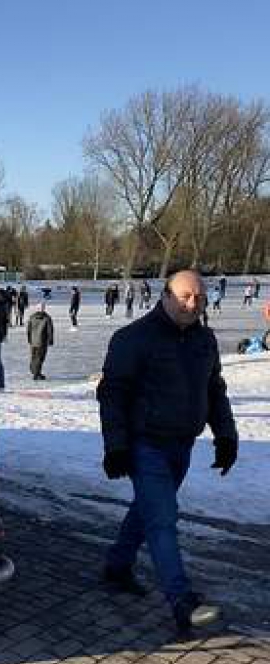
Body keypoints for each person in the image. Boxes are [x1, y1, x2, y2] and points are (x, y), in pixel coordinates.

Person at [97, 270, 237, 636]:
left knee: (147, 509)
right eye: (185, 297)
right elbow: (112, 394)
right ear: (165, 296)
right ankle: (181, 601)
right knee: (162, 517)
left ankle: (117, 566)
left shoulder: (204, 340)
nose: (193, 305)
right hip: (147, 445)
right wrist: (116, 446)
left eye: (199, 298)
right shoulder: (133, 338)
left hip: (182, 445)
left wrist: (226, 435)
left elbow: (215, 391)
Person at [26, 301, 54, 381]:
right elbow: (50, 330)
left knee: (34, 356)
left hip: (33, 341)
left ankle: (35, 370)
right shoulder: (47, 318)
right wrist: (50, 340)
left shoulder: (32, 317)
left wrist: (29, 339)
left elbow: (28, 329)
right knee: (40, 358)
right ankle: (36, 374)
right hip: (42, 341)